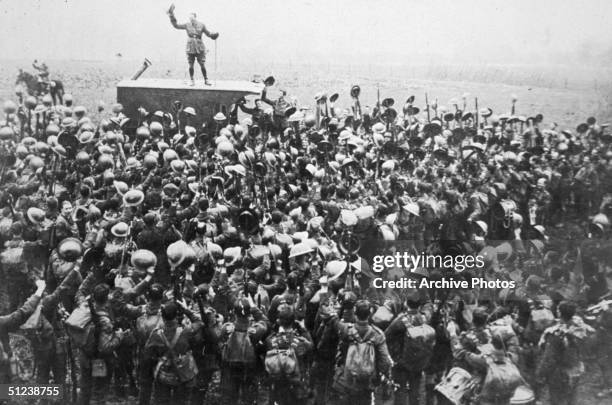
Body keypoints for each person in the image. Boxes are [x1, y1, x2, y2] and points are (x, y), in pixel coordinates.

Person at [168, 5, 219, 86]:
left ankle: (206, 80)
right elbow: (176, 25)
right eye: (190, 18)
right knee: (190, 65)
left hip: (200, 47)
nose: (191, 19)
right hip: (190, 47)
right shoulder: (187, 25)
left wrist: (213, 35)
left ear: (195, 17)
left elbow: (208, 33)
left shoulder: (201, 25)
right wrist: (171, 15)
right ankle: (192, 80)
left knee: (202, 64)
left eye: (192, 18)